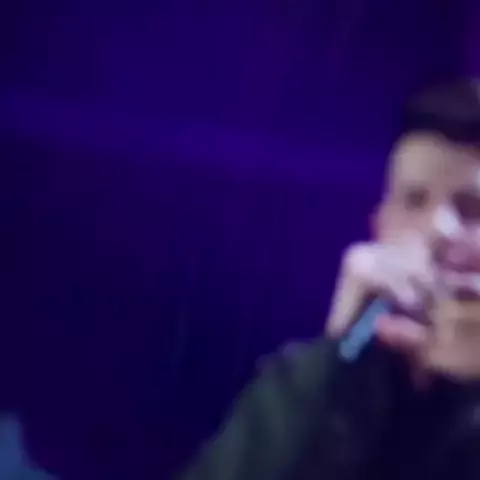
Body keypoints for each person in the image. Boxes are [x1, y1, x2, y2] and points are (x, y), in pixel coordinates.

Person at [177, 79, 480, 480]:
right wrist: (338, 360)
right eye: (414, 200)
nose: (439, 229)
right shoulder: (305, 380)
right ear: (380, 226)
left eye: (472, 209)